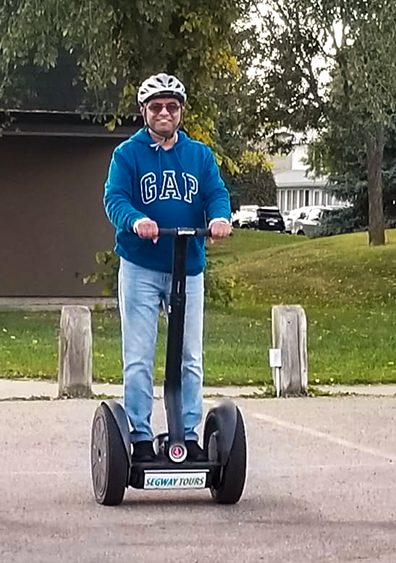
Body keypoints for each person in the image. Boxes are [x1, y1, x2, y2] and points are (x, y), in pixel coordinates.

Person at [103, 73, 232, 462]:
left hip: (188, 267)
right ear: (144, 112)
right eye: (156, 106)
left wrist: (220, 218)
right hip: (141, 266)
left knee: (190, 356)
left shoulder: (199, 156)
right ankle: (140, 437)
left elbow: (216, 194)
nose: (164, 113)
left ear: (180, 112)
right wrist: (135, 220)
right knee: (139, 356)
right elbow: (115, 199)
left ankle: (189, 437)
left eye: (171, 107)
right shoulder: (127, 154)